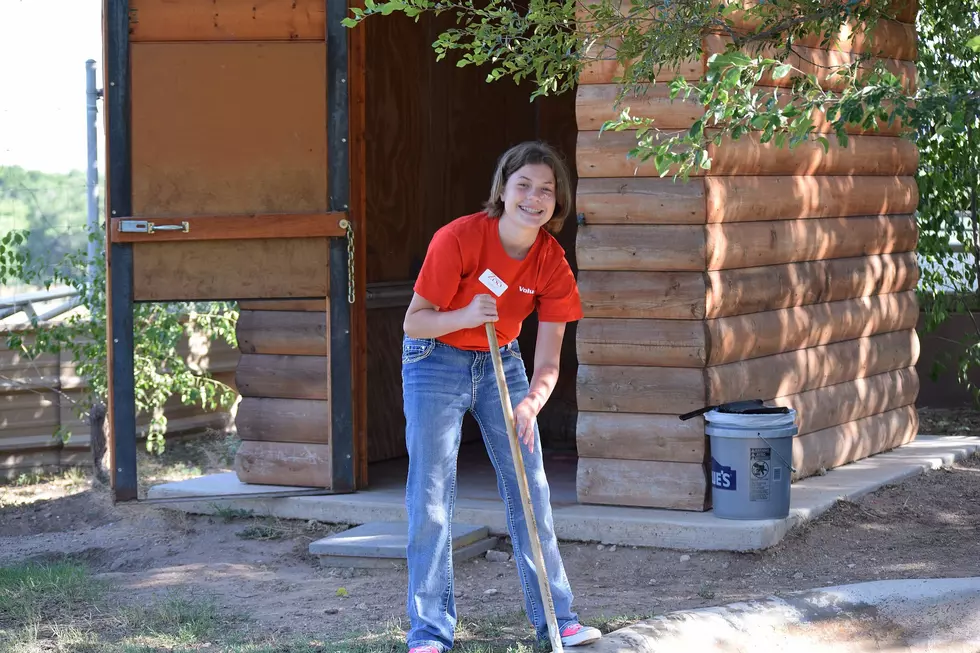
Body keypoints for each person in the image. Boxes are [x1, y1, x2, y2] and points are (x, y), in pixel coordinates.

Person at [400, 141, 603, 652]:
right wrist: (464, 316)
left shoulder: (551, 263)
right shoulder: (460, 239)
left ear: (559, 203)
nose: (534, 198)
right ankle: (430, 634)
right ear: (503, 189)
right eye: (524, 186)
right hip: (434, 359)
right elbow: (415, 319)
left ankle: (559, 621)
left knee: (531, 490)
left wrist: (531, 403)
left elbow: (551, 358)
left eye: (546, 191)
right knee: (431, 497)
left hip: (502, 365)